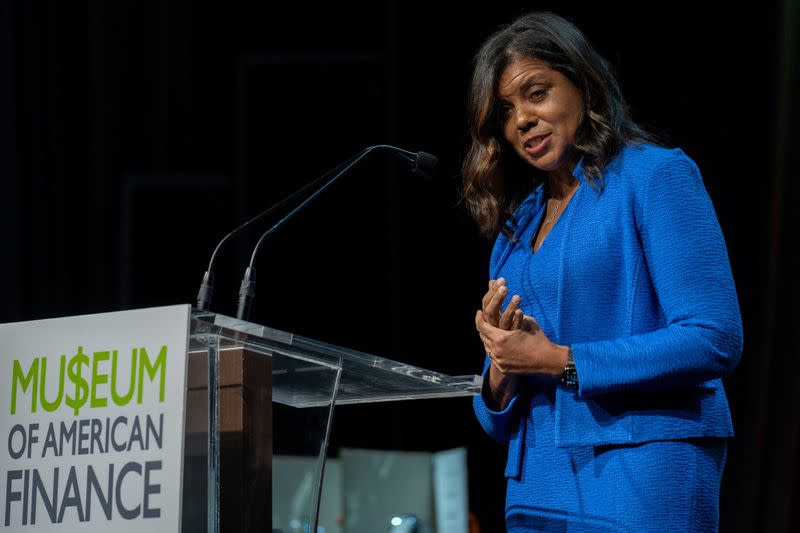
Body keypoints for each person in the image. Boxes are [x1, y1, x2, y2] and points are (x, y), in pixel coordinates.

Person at [462, 11, 743, 532]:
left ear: (582, 83)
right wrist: (502, 364)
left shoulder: (654, 177)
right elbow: (498, 406)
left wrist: (556, 360)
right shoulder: (515, 228)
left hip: (644, 466)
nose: (521, 119)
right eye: (505, 110)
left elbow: (714, 338)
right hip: (536, 483)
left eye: (537, 93)